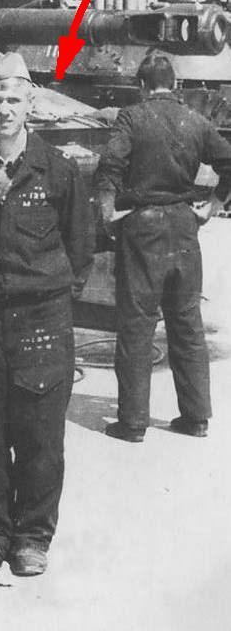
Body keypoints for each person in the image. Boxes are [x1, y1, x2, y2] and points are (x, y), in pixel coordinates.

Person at [0, 52, 94, 577]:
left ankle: (31, 537)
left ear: (31, 105)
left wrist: (47, 296)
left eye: (14, 99)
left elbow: (80, 249)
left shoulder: (59, 170)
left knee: (40, 437)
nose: (4, 109)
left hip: (41, 320)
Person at [95, 54, 231, 443]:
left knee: (137, 324)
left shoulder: (131, 118)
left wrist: (107, 214)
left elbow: (109, 168)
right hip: (184, 227)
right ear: (174, 84)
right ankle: (196, 417)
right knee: (187, 322)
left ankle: (133, 422)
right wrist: (214, 205)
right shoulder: (196, 120)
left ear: (142, 85)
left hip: (142, 229)